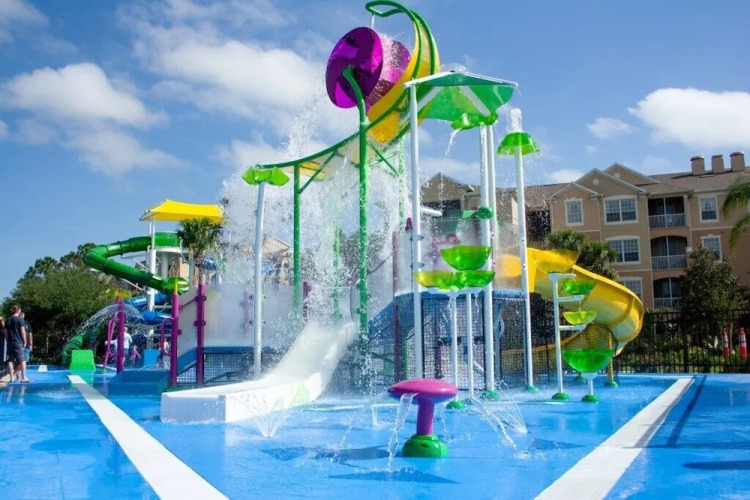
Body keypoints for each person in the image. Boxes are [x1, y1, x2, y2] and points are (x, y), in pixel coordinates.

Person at [4, 305, 30, 383]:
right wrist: (25, 341)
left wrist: (7, 340)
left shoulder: (7, 320)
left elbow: (5, 332)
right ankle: (23, 377)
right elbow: (22, 332)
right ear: (18, 310)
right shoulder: (20, 320)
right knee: (22, 360)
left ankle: (12, 378)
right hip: (18, 342)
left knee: (10, 360)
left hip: (10, 342)